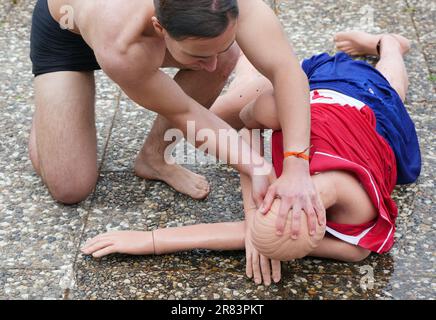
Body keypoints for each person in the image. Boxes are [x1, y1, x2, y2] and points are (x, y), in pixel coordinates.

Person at [81, 30, 421, 286]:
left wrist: (148, 241)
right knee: (260, 116)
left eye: (263, 206)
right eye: (267, 205)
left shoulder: (332, 233)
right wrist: (255, 220)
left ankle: (383, 45)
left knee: (391, 84)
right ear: (315, 222)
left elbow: (238, 232)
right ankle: (386, 46)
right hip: (355, 107)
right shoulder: (323, 210)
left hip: (361, 116)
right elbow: (250, 142)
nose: (264, 200)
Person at [29, 0, 323, 234]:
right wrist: (254, 164)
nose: (211, 67)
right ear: (160, 28)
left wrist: (296, 163)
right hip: (66, 30)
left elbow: (286, 70)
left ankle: (153, 158)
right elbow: (184, 111)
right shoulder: (122, 43)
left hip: (136, 35)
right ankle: (52, 112)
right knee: (70, 187)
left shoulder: (230, 5)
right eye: (199, 56)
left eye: (214, 51)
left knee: (226, 53)